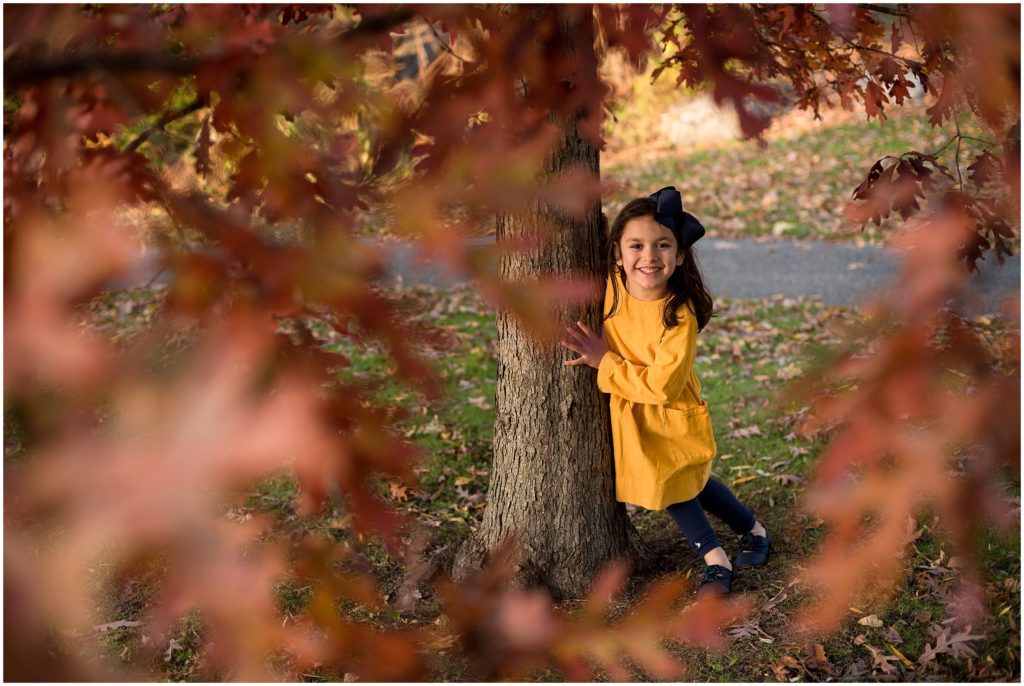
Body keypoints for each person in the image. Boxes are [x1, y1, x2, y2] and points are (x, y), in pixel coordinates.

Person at [560, 186, 771, 597]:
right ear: (617, 255)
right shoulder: (614, 286)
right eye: (636, 245)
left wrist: (605, 362)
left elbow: (662, 385)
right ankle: (755, 530)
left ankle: (715, 559)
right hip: (631, 410)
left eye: (662, 245)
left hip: (668, 408)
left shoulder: (679, 313)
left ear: (678, 255)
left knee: (671, 483)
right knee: (692, 481)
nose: (649, 256)